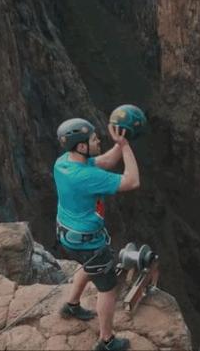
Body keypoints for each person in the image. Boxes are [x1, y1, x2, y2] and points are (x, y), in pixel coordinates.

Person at [53, 118, 140, 351]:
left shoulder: (63, 162)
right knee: (107, 288)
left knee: (87, 266)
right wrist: (128, 148)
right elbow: (132, 181)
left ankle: (71, 305)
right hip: (88, 243)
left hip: (67, 235)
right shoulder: (86, 177)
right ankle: (107, 340)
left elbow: (106, 160)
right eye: (93, 138)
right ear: (81, 147)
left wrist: (121, 143)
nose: (98, 139)